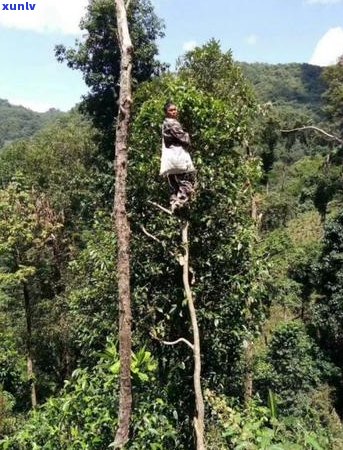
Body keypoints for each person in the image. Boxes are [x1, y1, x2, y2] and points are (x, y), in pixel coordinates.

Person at [160, 102, 196, 212]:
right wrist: (189, 137)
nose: (174, 112)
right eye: (171, 110)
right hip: (177, 156)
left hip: (169, 158)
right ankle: (180, 202)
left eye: (175, 109)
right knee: (186, 179)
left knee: (173, 183)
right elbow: (183, 138)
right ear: (166, 112)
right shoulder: (172, 124)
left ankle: (173, 202)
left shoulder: (165, 124)